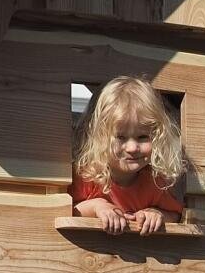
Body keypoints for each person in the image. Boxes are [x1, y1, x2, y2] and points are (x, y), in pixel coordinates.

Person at [69, 76, 185, 235]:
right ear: (98, 136)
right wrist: (97, 206)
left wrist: (156, 214)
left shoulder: (155, 183)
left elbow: (176, 215)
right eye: (120, 137)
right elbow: (66, 211)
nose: (132, 148)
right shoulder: (85, 176)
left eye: (143, 137)